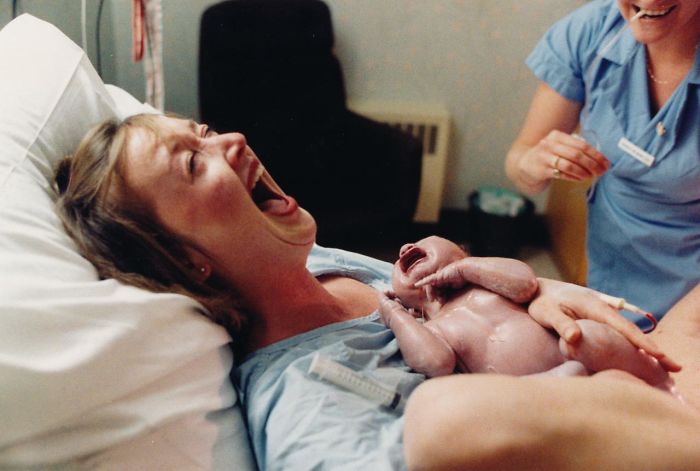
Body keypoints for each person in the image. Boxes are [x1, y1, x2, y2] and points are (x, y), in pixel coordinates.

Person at [55, 113, 700, 470]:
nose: (232, 139)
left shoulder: (323, 264)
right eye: (194, 162)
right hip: (632, 426)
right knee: (445, 419)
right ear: (188, 263)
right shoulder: (301, 397)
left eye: (201, 130)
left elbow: (466, 285)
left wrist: (541, 290)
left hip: (641, 369)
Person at [505, 0, 700, 326]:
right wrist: (534, 163)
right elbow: (518, 162)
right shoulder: (591, 32)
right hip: (612, 278)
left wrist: (676, 334)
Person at [379, 235, 674, 391]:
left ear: (462, 251)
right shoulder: (431, 327)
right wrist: (394, 315)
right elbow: (435, 363)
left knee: (587, 334)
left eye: (421, 241)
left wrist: (466, 269)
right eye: (397, 260)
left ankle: (658, 382)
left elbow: (524, 284)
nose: (405, 247)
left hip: (571, 350)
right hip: (532, 388)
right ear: (408, 306)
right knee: (512, 400)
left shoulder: (482, 279)